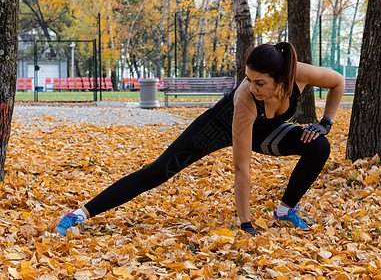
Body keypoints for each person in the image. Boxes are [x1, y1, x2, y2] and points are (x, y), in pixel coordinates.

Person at [55, 42, 344, 236]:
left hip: (264, 130)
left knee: (319, 145)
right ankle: (81, 213)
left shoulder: (300, 74)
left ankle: (285, 210)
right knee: (158, 171)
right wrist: (245, 223)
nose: (252, 87)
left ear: (281, 79)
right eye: (248, 78)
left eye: (260, 82)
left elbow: (338, 82)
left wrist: (325, 123)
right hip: (217, 126)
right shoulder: (246, 99)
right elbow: (242, 169)